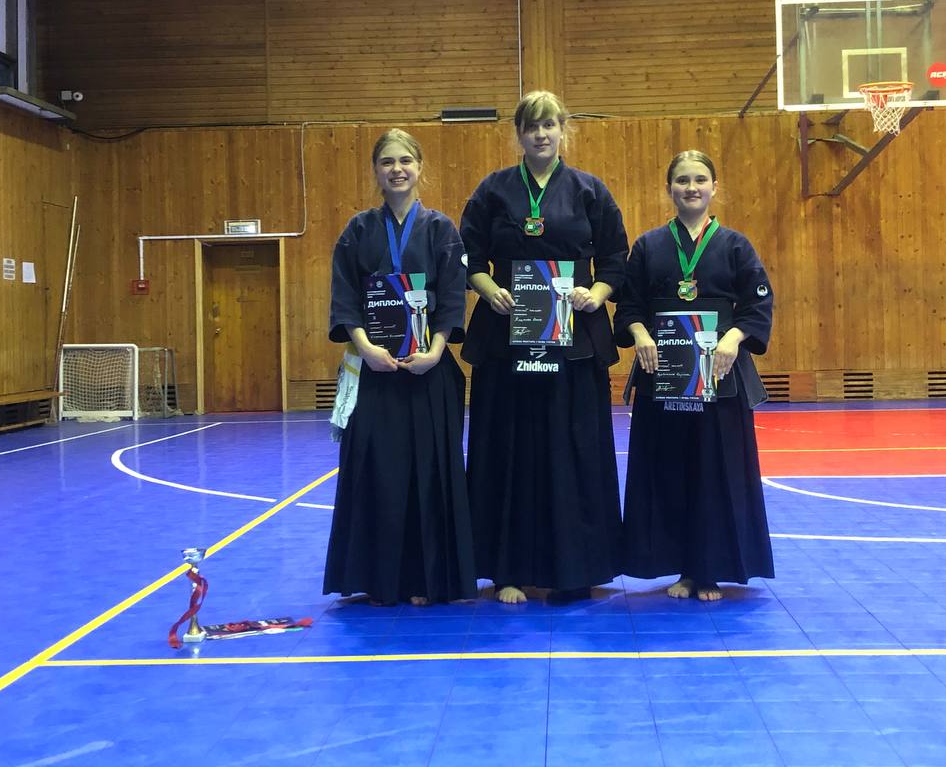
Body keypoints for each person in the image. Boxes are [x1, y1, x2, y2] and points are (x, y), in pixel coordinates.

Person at [460, 90, 628, 604]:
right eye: (531, 126)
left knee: (572, 451)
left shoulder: (589, 190)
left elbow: (616, 259)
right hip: (506, 342)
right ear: (518, 133)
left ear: (563, 130)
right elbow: (468, 257)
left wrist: (595, 294)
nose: (540, 134)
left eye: (548, 124)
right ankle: (506, 569)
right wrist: (488, 289)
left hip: (573, 343)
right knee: (507, 451)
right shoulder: (493, 190)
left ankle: (575, 570)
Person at [613, 149, 774, 601]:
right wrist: (640, 334)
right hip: (664, 376)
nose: (691, 187)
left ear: (714, 187)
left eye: (700, 179)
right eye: (682, 180)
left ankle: (708, 570)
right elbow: (628, 306)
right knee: (669, 471)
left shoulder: (736, 245)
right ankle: (682, 568)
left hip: (719, 377)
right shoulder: (648, 246)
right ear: (669, 189)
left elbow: (758, 303)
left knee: (715, 474)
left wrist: (734, 337)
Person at [324, 129, 476, 605]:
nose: (397, 169)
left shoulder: (441, 229)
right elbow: (345, 297)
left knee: (429, 473)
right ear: (375, 170)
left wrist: (435, 351)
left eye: (405, 160)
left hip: (429, 370)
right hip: (374, 370)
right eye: (387, 162)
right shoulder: (357, 230)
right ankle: (380, 579)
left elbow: (452, 298)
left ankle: (428, 580)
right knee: (378, 473)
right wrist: (366, 348)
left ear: (419, 167)